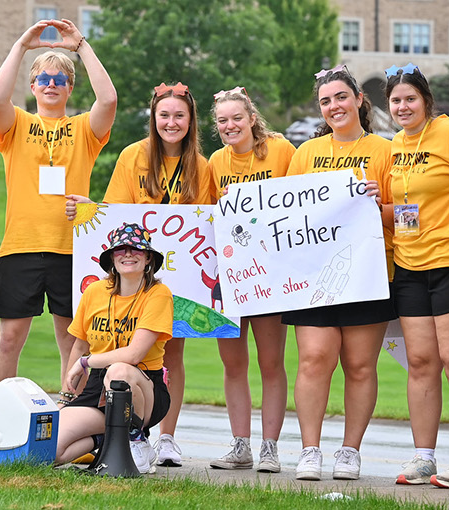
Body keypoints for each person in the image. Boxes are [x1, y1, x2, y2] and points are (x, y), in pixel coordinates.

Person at [66, 82, 214, 468]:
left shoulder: (202, 165)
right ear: (153, 118)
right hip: (140, 269)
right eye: (163, 115)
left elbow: (210, 220)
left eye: (179, 115)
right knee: (134, 351)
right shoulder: (133, 156)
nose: (171, 122)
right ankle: (114, 431)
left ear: (190, 120)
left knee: (171, 353)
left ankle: (167, 438)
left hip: (183, 268)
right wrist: (90, 208)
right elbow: (114, 212)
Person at [0, 19, 116, 391]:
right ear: (33, 87)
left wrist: (81, 46)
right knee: (9, 340)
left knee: (72, 343)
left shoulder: (83, 130)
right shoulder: (17, 125)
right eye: (44, 79)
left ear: (71, 88)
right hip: (21, 246)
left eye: (60, 80)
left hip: (71, 250)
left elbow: (108, 100)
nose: (52, 85)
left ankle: (69, 422)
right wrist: (22, 46)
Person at [279, 66, 395, 481]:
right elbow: (287, 214)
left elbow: (407, 216)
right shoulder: (306, 155)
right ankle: (310, 450)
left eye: (342, 97)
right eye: (326, 101)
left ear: (359, 100)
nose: (334, 107)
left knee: (360, 366)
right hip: (315, 275)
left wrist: (378, 204)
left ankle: (350, 451)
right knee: (313, 360)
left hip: (368, 271)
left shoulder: (386, 151)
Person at [382, 63, 449, 489]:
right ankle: (424, 457)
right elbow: (410, 212)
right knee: (421, 363)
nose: (403, 106)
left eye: (410, 98)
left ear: (426, 99)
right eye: (396, 101)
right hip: (409, 265)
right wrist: (373, 206)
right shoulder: (396, 143)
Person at [203, 86, 293, 473]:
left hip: (271, 274)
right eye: (222, 121)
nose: (230, 126)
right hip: (231, 275)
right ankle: (240, 445)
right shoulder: (215, 163)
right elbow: (208, 217)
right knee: (233, 363)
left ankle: (270, 448)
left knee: (271, 362)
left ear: (252, 118)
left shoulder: (282, 150)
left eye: (237, 118)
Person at [56, 223, 174, 475]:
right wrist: (66, 398)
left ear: (148, 258)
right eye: (120, 249)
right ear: (111, 258)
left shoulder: (158, 294)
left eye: (136, 249)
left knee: (120, 371)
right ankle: (106, 440)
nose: (128, 254)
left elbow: (133, 355)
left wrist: (86, 363)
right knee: (50, 452)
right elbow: (79, 345)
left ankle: (136, 439)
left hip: (142, 385)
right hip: (97, 387)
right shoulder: (95, 291)